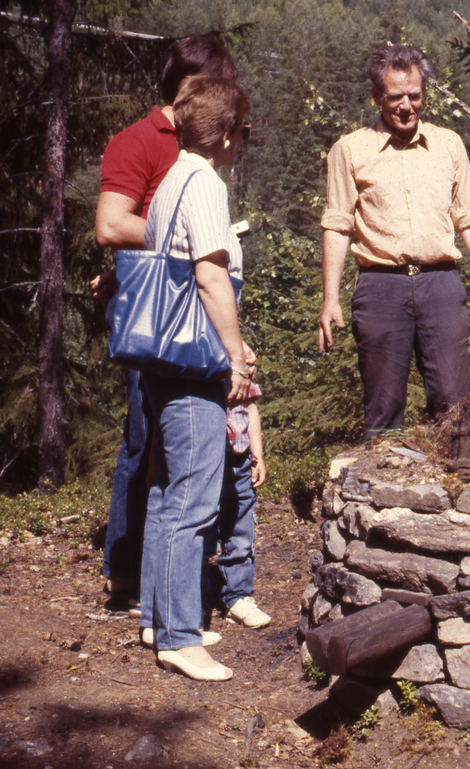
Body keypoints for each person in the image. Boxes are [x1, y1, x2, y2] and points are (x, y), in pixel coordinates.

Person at [93, 35, 238, 607]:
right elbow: (110, 225)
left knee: (173, 450)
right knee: (144, 441)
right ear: (190, 86)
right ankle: (127, 568)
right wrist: (182, 238)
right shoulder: (139, 140)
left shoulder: (191, 146)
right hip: (160, 315)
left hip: (188, 310)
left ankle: (162, 579)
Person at [317, 45, 470, 440]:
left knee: (454, 401)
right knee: (384, 407)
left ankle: (456, 493)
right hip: (380, 287)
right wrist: (330, 298)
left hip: (441, 285)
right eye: (395, 97)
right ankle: (378, 497)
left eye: (415, 95)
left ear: (424, 93)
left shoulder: (449, 145)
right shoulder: (349, 150)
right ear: (377, 97)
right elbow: (337, 226)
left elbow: (469, 218)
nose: (406, 106)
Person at [138, 75, 253, 681]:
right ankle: (180, 637)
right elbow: (209, 277)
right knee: (194, 498)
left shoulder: (170, 181)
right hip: (194, 361)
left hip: (162, 357)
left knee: (166, 493)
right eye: (244, 131)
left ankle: (160, 617)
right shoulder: (205, 184)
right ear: (227, 132)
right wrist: (235, 354)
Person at [216, 376, 272, 629]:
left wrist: (257, 456)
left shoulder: (240, 360)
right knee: (199, 534)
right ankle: (192, 599)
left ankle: (237, 597)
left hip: (239, 462)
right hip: (205, 461)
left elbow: (250, 408)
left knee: (241, 532)